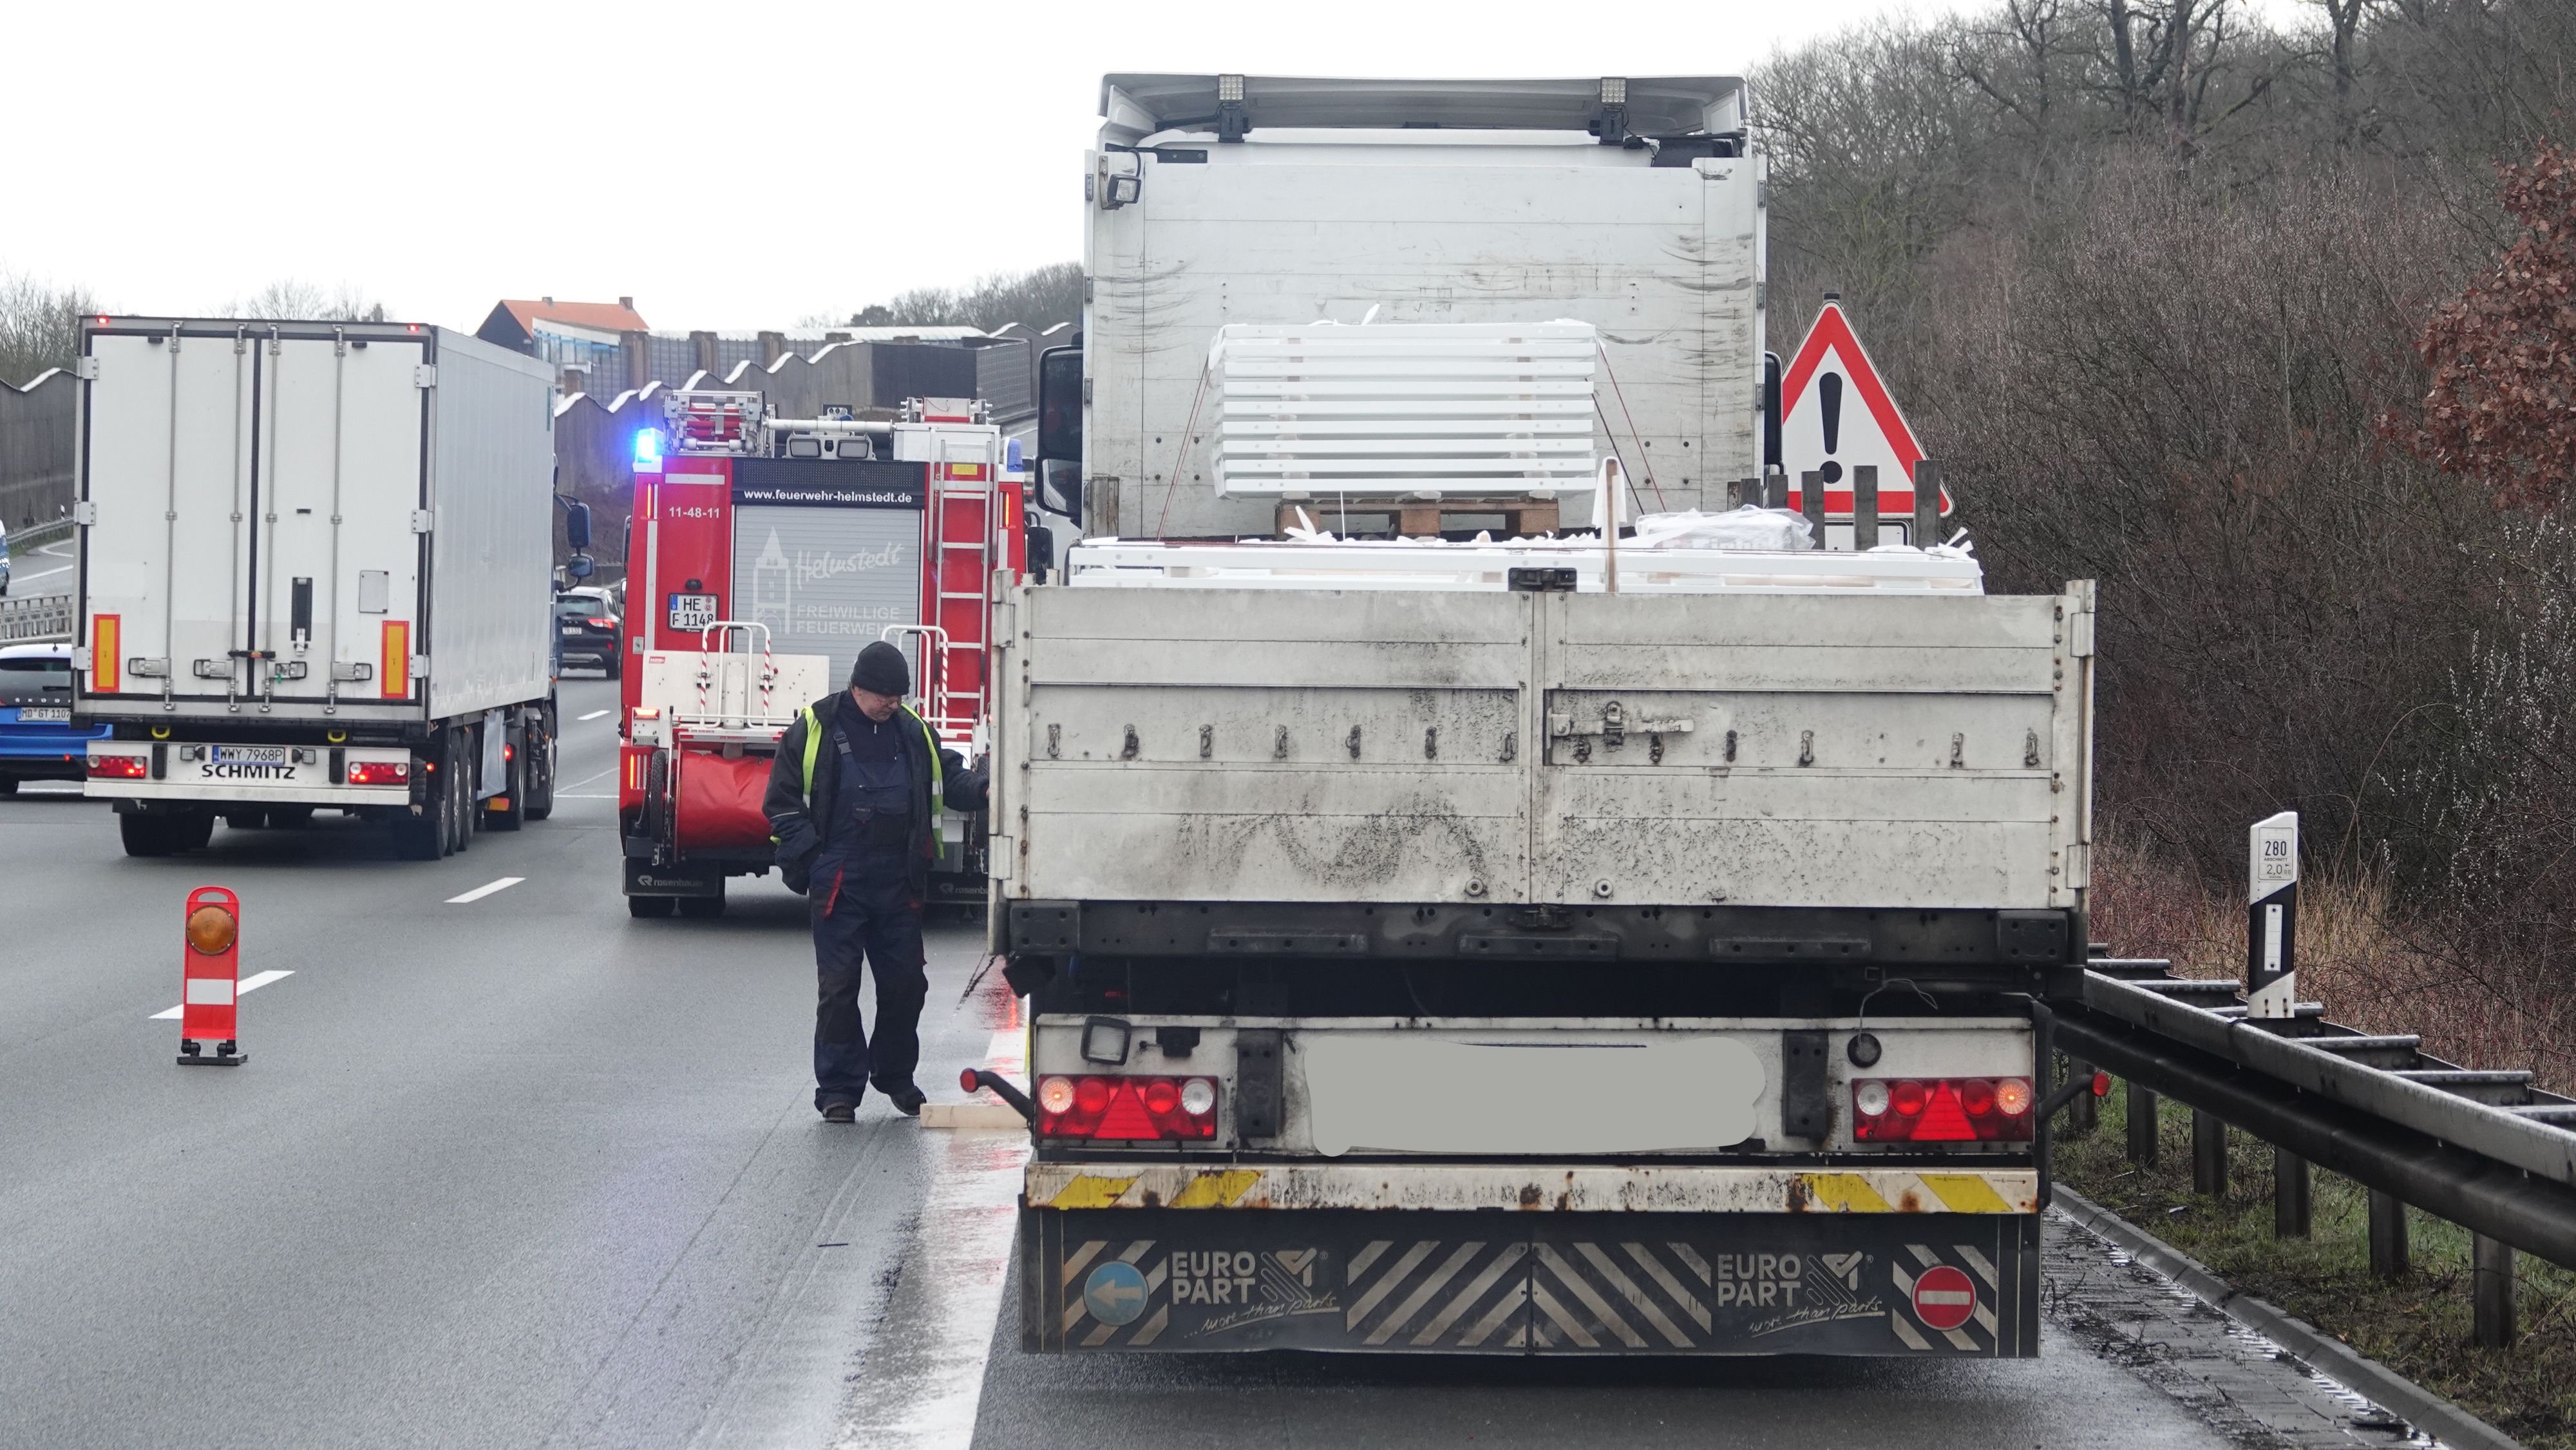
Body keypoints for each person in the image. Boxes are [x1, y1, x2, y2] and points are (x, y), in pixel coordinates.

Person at [764, 641, 987, 1121]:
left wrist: (987, 786)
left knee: (907, 984)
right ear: (858, 688)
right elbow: (780, 804)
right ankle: (839, 1089)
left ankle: (894, 1074)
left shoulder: (912, 732)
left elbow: (953, 782)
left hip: (897, 880)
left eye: (899, 696)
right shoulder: (814, 729)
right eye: (885, 696)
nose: (893, 704)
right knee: (839, 987)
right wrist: (814, 858)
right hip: (839, 880)